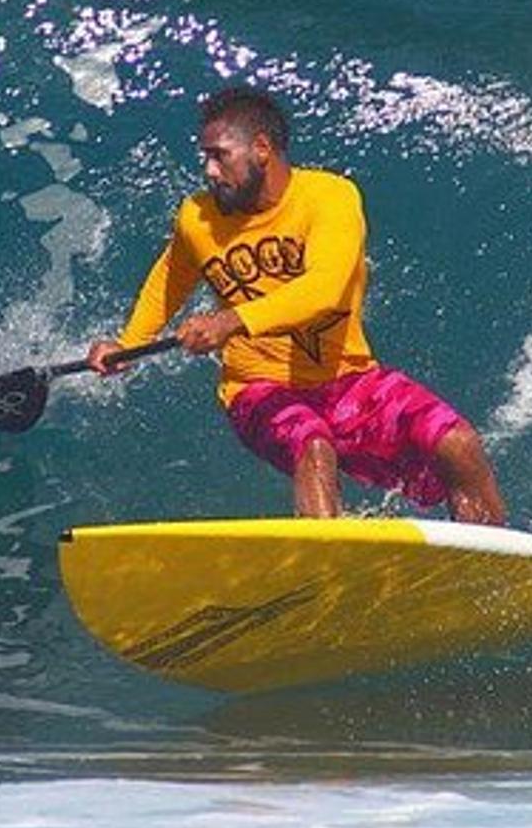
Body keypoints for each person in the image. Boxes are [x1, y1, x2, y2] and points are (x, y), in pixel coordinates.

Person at [87, 86, 508, 524]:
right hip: (256, 389)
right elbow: (168, 282)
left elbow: (324, 287)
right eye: (205, 158)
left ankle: (491, 565)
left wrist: (231, 320)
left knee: (458, 444)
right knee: (313, 445)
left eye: (220, 155)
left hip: (349, 379)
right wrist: (126, 345)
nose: (209, 170)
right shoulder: (198, 217)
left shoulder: (329, 197)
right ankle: (327, 569)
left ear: (262, 149)